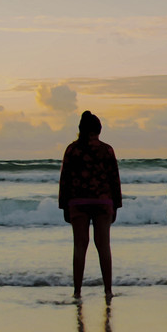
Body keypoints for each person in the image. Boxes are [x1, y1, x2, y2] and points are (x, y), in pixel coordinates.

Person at [58, 111, 122, 298]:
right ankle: (108, 290)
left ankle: (77, 291)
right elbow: (114, 179)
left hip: (78, 202)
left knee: (79, 247)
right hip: (103, 202)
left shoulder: (72, 150)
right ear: (99, 130)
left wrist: (64, 205)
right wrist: (116, 205)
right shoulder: (107, 150)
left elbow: (65, 180)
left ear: (80, 129)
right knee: (104, 246)